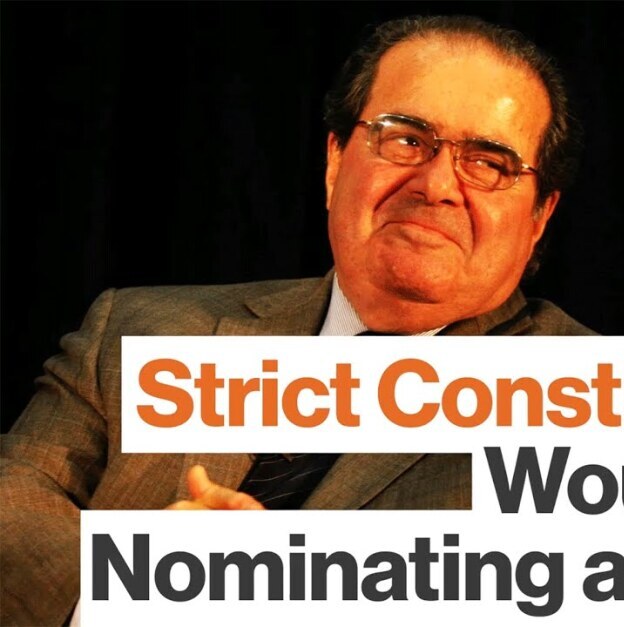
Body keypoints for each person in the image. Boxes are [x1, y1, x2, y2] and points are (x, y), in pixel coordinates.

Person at [0, 15, 591, 626]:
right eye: (407, 140)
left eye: (488, 162)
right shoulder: (138, 328)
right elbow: (12, 502)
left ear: (540, 215)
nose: (436, 184)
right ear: (335, 162)